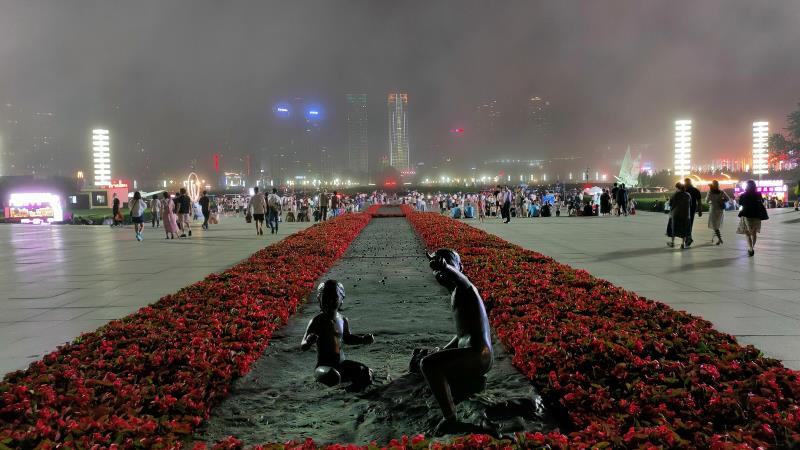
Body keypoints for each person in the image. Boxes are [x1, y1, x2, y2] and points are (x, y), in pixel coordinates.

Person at [412, 249, 493, 435]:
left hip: (478, 355)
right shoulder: (456, 292)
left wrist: (445, 265)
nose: (441, 274)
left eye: (448, 265)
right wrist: (442, 350)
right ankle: (466, 387)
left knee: (429, 365)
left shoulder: (466, 288)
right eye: (438, 271)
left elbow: (458, 277)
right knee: (432, 358)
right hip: (472, 352)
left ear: (460, 268)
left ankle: (451, 419)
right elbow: (462, 334)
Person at [301, 280, 374, 392]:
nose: (329, 301)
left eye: (334, 298)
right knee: (333, 376)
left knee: (366, 371)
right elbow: (303, 345)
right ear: (319, 299)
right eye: (325, 298)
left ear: (341, 300)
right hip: (324, 368)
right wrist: (309, 342)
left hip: (341, 364)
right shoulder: (317, 321)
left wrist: (363, 339)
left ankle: (350, 393)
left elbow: (347, 338)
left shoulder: (343, 320)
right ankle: (344, 391)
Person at [737, 179, 769, 257]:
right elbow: (761, 201)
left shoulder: (743, 195)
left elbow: (740, 203)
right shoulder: (758, 194)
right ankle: (752, 248)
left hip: (747, 215)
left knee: (747, 233)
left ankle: (750, 248)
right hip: (757, 215)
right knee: (754, 233)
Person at [667, 183, 692, 249]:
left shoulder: (676, 194)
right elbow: (690, 204)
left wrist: (670, 211)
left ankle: (672, 243)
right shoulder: (688, 195)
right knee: (684, 229)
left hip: (677, 214)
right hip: (686, 215)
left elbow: (672, 204)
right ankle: (682, 244)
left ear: (678, 188)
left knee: (673, 228)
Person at [706, 180, 730, 245]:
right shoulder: (722, 192)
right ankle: (716, 239)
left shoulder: (710, 192)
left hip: (713, 209)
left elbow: (707, 201)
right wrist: (721, 200)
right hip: (720, 210)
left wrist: (712, 201)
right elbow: (728, 199)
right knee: (717, 225)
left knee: (715, 226)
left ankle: (720, 239)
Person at [684, 178, 702, 247]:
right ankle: (688, 238)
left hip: (686, 209)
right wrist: (700, 210)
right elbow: (699, 202)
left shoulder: (685, 190)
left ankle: (688, 238)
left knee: (686, 224)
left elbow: (699, 201)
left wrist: (700, 210)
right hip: (691, 209)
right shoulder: (695, 190)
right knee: (689, 223)